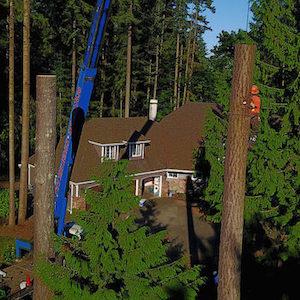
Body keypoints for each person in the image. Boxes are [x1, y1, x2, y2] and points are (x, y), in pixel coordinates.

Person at [249, 85, 261, 150]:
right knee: (254, 132)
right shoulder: (251, 97)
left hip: (254, 116)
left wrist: (249, 102)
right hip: (250, 116)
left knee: (254, 132)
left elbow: (254, 106)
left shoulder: (256, 99)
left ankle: (251, 144)